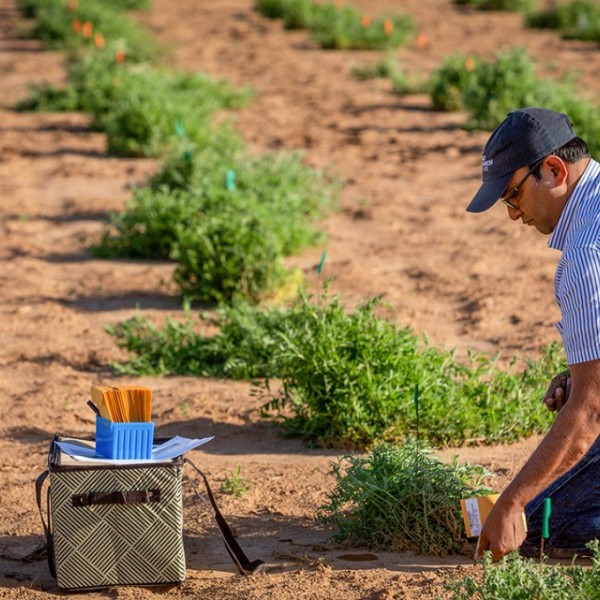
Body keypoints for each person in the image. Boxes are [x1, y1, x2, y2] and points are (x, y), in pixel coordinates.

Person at [466, 107, 600, 561]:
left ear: (554, 170)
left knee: (545, 524)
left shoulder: (586, 257)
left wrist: (512, 501)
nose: (512, 215)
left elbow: (590, 411)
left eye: (512, 197)